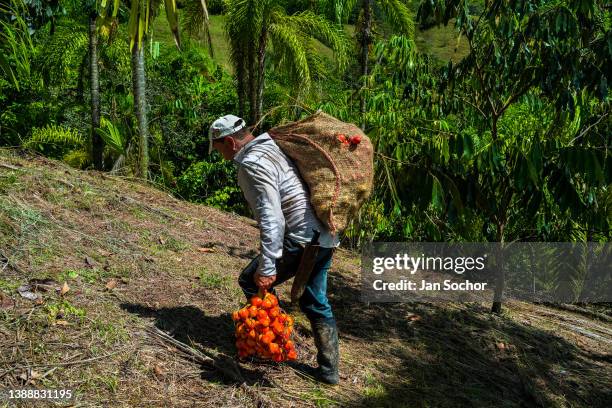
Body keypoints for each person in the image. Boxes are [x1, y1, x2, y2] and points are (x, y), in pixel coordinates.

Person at [208, 114, 341, 384]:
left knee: (250, 279)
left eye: (218, 147)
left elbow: (273, 218)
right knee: (314, 301)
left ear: (230, 142)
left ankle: (270, 341)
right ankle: (328, 371)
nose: (219, 153)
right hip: (323, 236)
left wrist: (268, 265)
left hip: (302, 239)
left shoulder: (252, 163)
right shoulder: (271, 146)